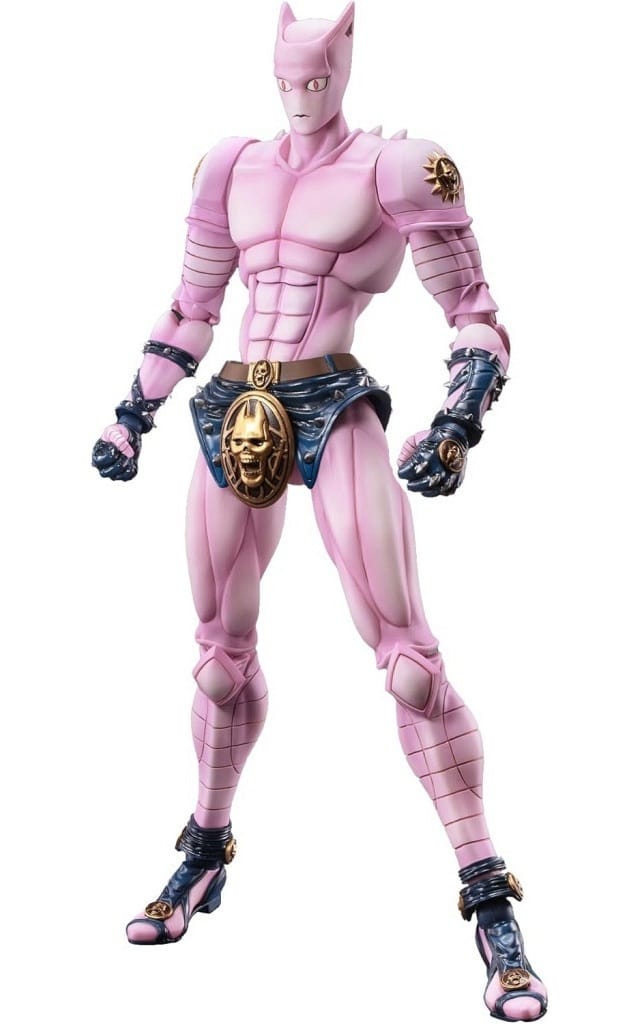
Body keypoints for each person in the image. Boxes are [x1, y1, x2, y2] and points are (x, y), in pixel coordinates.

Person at [93, 4, 547, 1019]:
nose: (301, 90)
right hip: (232, 409)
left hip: (332, 401)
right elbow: (191, 308)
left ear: (344, 63)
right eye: (286, 74)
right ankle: (205, 852)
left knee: (409, 662)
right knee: (218, 657)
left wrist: (456, 422)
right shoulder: (230, 166)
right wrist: (133, 412)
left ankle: (490, 902)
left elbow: (475, 315)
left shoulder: (398, 167)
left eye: (317, 72)